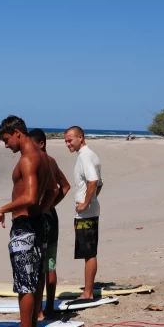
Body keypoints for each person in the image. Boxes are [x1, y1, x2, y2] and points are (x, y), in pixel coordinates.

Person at [0, 116, 54, 327]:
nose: (6, 145)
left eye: (7, 140)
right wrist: (40, 210)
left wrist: (2, 209)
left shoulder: (28, 159)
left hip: (25, 227)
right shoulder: (43, 157)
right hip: (37, 222)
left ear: (17, 133)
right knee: (35, 280)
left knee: (24, 282)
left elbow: (28, 196)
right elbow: (53, 191)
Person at [27, 129, 71, 318]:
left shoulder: (39, 162)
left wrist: (45, 207)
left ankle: (39, 309)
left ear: (41, 144)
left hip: (42, 217)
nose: (27, 147)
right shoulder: (52, 161)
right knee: (49, 263)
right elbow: (65, 186)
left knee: (41, 265)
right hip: (51, 216)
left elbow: (58, 188)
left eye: (31, 143)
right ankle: (50, 307)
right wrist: (52, 205)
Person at [64, 126, 103, 300]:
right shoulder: (91, 155)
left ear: (81, 137)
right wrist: (91, 201)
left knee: (89, 252)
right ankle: (88, 290)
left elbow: (94, 181)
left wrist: (86, 203)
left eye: (70, 140)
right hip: (89, 211)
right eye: (65, 141)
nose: (67, 144)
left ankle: (87, 292)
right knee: (88, 251)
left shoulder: (86, 156)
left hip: (86, 213)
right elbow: (100, 183)